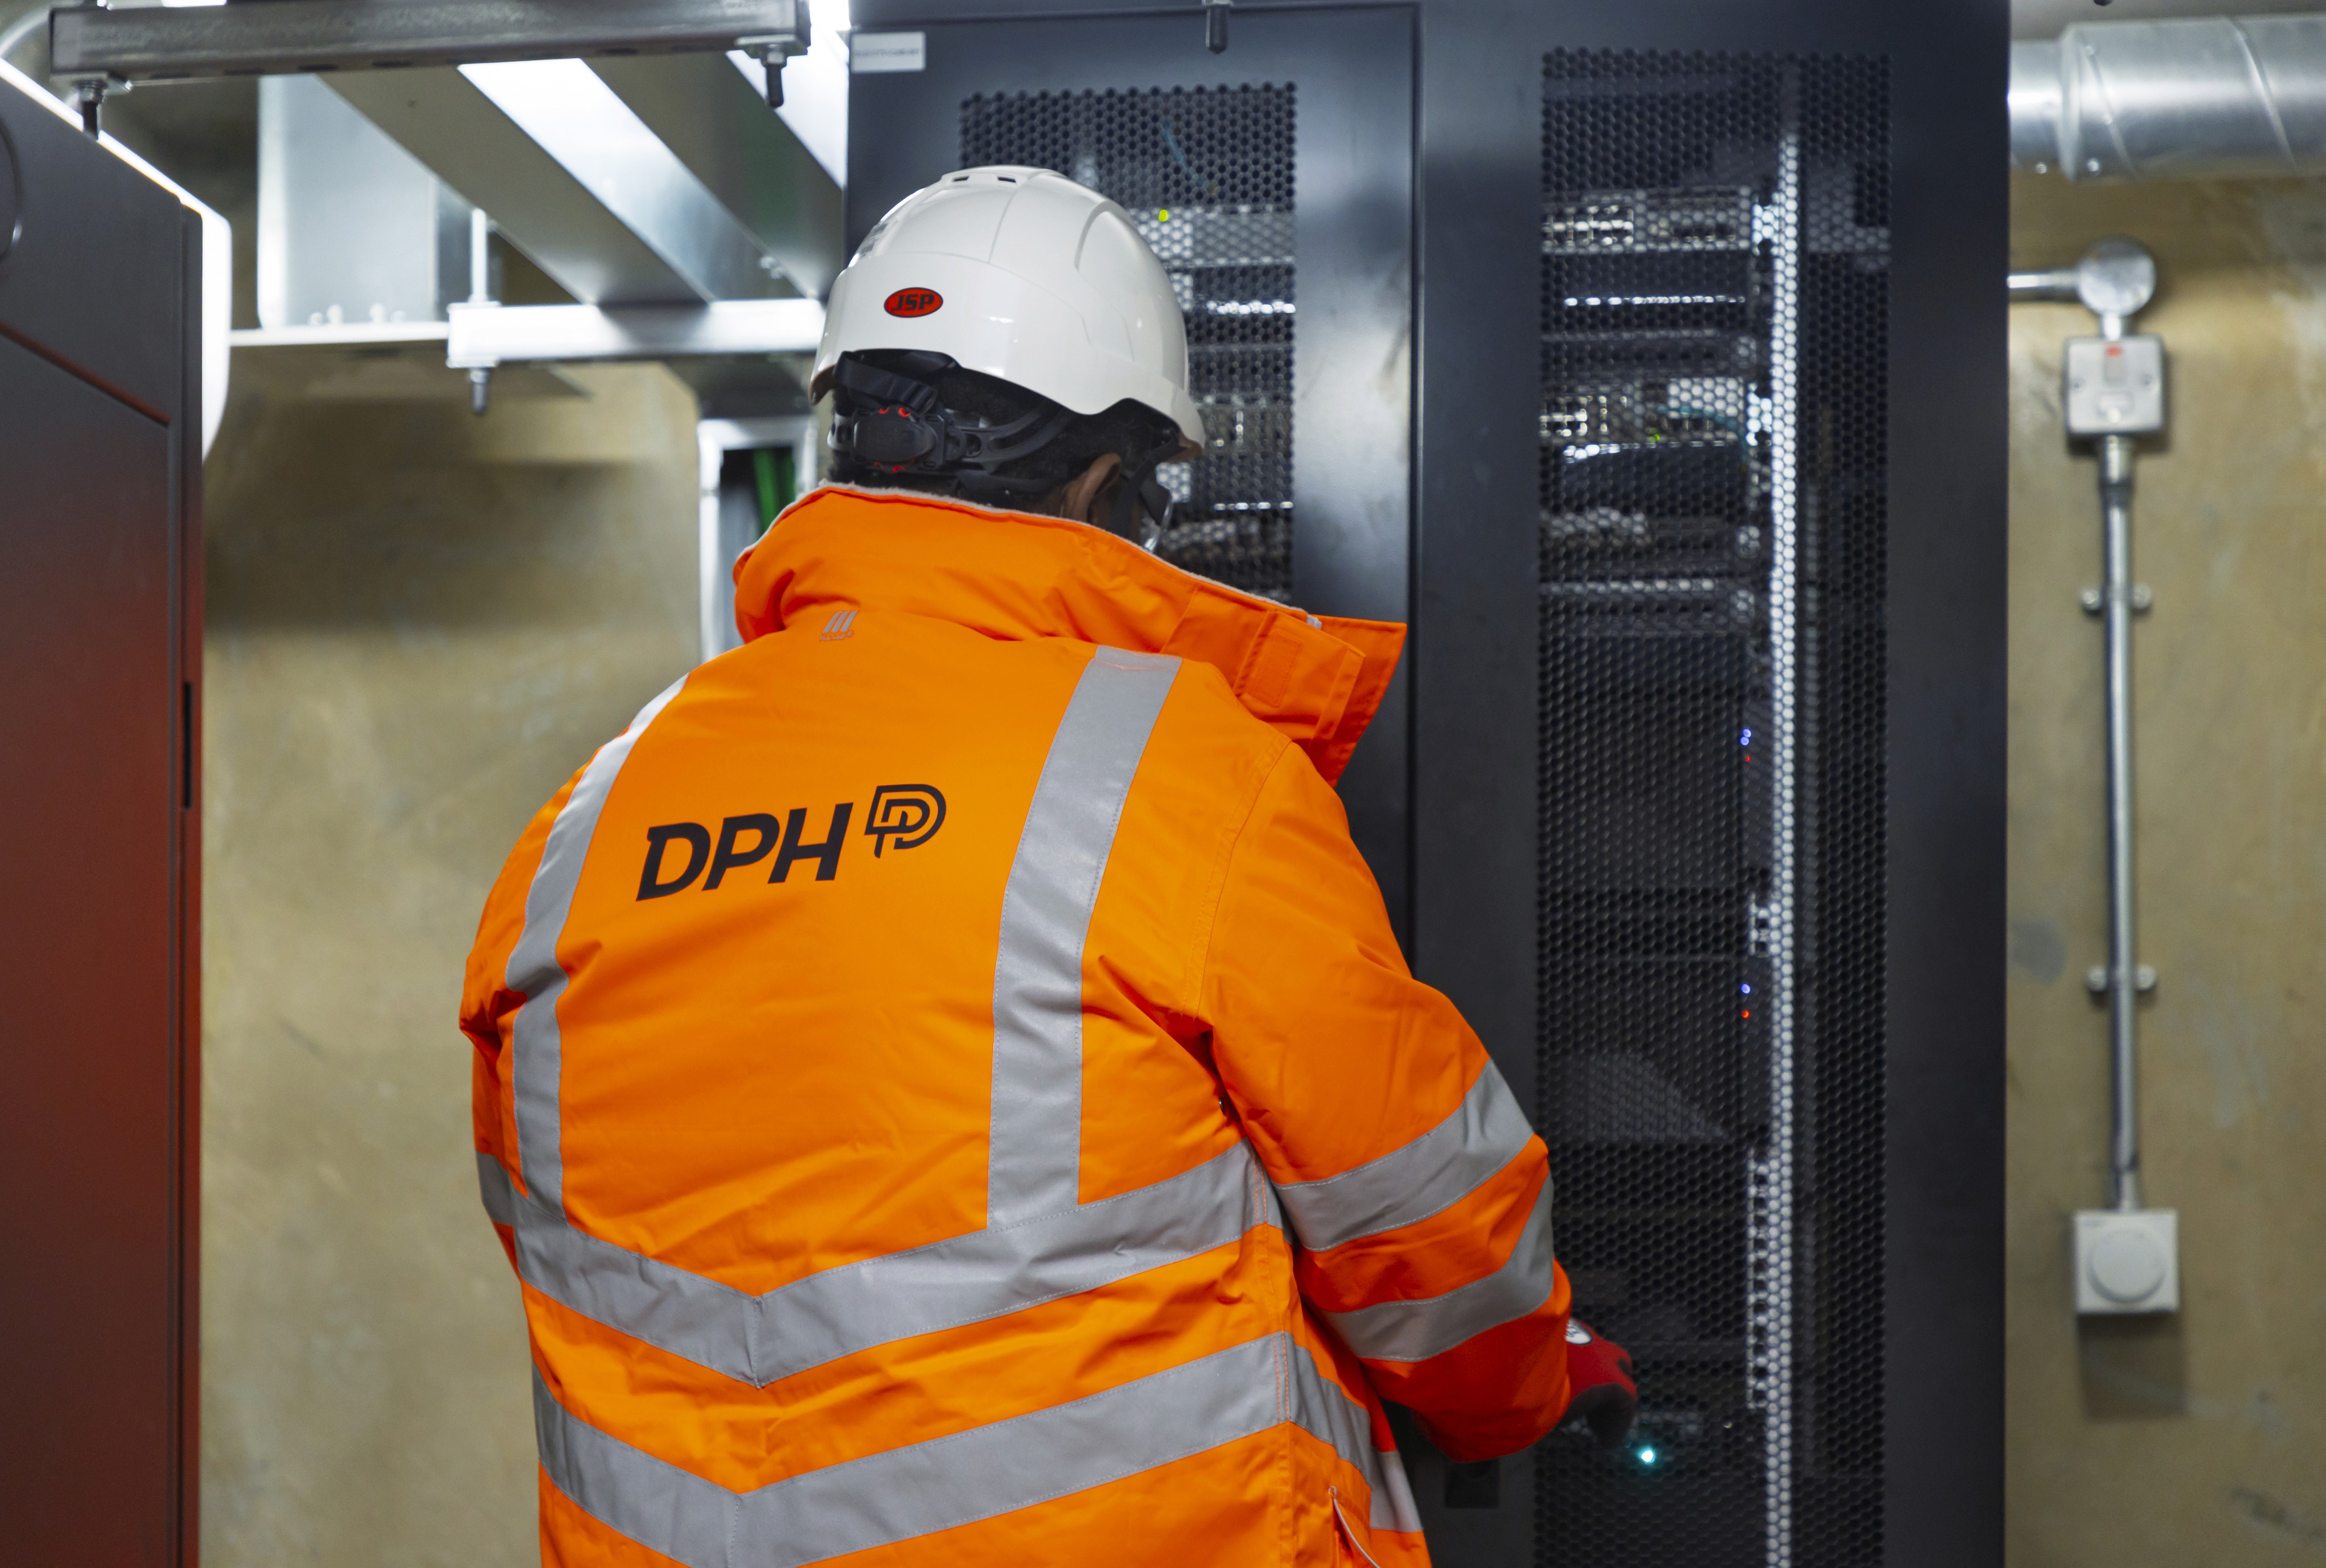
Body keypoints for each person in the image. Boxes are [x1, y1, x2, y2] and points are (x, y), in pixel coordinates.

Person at [460, 165, 1634, 1568]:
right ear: (1106, 480)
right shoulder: (1170, 770)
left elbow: (556, 1234)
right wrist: (1523, 1382)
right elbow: (1419, 1202)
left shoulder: (584, 825)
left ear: (848, 449)